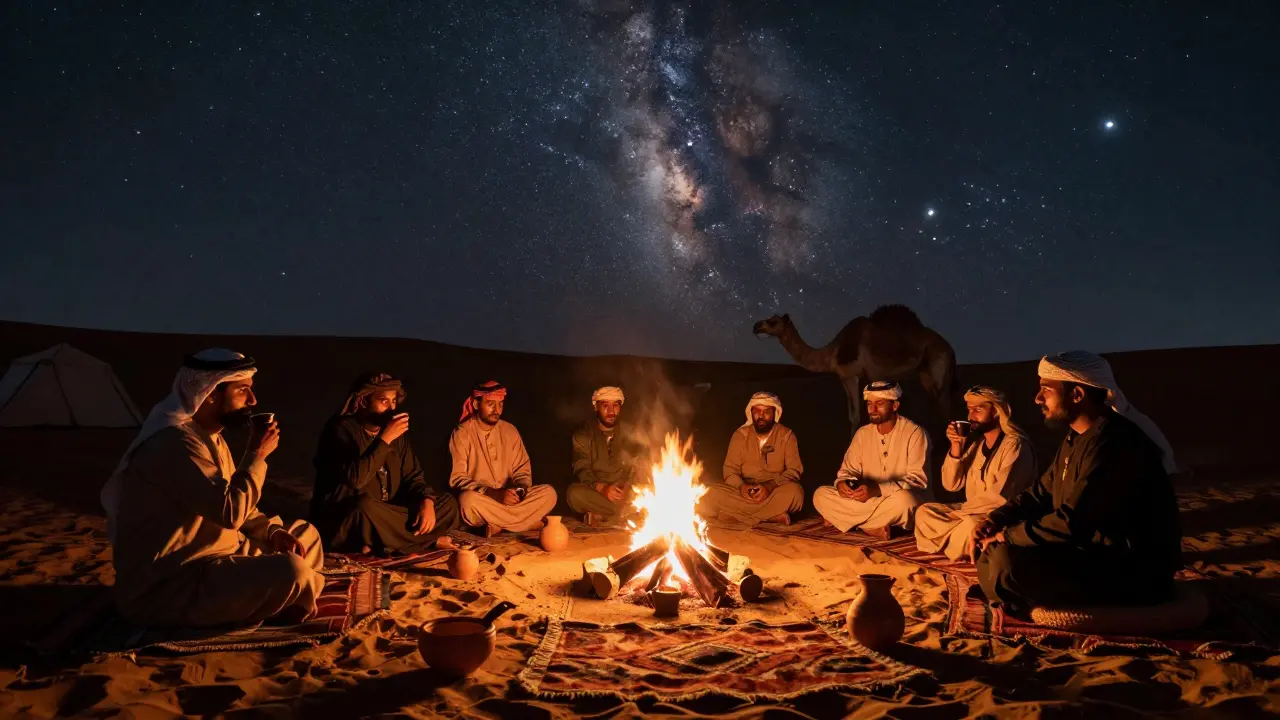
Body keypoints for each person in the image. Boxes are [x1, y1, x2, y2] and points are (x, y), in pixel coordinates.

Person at [101, 349, 324, 627]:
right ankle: (285, 598)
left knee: (305, 534)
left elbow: (242, 508)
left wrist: (272, 531)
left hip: (222, 557)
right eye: (243, 391)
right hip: (177, 582)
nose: (253, 401)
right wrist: (256, 456)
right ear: (209, 394)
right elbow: (230, 512)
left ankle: (281, 598)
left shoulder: (211, 437)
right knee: (292, 570)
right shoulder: (175, 445)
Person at [972, 352, 1182, 617]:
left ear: (1077, 395)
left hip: (1130, 570)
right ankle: (1010, 593)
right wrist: (995, 519)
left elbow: (1073, 522)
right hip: (1091, 553)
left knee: (1007, 561)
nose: (1038, 398)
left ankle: (1012, 595)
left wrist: (1008, 535)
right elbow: (1041, 492)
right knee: (990, 552)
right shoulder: (1077, 437)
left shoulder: (1115, 443)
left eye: (1046, 390)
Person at [311, 372, 460, 555]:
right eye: (384, 401)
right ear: (363, 402)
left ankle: (383, 542)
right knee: (363, 507)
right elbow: (356, 479)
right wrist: (385, 439)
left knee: (449, 504)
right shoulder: (339, 430)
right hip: (348, 515)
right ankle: (423, 541)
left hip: (385, 514)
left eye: (394, 401)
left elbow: (413, 476)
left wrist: (426, 501)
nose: (391, 408)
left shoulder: (396, 435)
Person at [913, 385, 1036, 561]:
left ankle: (954, 543)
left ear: (996, 411)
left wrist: (959, 514)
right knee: (924, 512)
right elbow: (951, 484)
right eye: (969, 410)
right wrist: (956, 447)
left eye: (978, 409)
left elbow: (1000, 498)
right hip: (969, 512)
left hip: (999, 516)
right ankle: (957, 544)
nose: (971, 416)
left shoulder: (1015, 445)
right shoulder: (976, 445)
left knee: (971, 526)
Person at [813, 380, 931, 540]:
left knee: (907, 501)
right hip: (865, 499)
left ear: (895, 405)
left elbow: (917, 481)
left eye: (879, 403)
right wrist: (843, 483)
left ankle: (850, 521)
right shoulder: (862, 434)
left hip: (894, 499)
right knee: (820, 495)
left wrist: (877, 490)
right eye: (869, 404)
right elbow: (848, 470)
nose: (872, 409)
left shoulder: (915, 433)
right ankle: (872, 525)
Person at [449, 380, 556, 536]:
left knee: (549, 493)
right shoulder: (462, 433)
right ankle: (525, 524)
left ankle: (498, 525)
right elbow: (457, 479)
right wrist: (496, 495)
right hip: (484, 499)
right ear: (476, 404)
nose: (497, 410)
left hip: (511, 502)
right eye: (491, 404)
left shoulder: (510, 431)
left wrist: (518, 491)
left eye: (500, 404)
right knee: (467, 501)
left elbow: (522, 470)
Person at [698, 392, 805, 526]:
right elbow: (730, 470)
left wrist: (769, 486)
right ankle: (770, 516)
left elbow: (794, 470)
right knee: (710, 492)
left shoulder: (787, 435)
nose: (761, 416)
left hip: (775, 489)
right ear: (751, 413)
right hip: (743, 491)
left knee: (796, 493)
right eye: (757, 411)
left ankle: (735, 515)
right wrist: (742, 487)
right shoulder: (740, 435)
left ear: (775, 413)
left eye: (766, 411)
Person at [566, 386, 641, 526]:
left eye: (616, 405)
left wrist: (627, 487)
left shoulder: (631, 432)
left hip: (626, 493)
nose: (611, 411)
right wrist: (602, 488)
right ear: (596, 407)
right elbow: (582, 469)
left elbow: (638, 465)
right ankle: (624, 515)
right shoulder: (583, 435)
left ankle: (603, 515)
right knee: (573, 493)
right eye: (605, 405)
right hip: (598, 493)